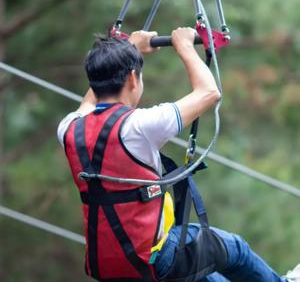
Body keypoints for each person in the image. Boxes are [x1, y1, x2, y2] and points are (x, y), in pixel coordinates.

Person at [57, 28, 299, 282]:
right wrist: (183, 45)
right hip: (155, 259)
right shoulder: (140, 126)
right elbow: (209, 92)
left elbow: (89, 103)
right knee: (235, 249)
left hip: (105, 265)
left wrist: (129, 48)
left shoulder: (69, 128)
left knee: (209, 277)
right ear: (132, 79)